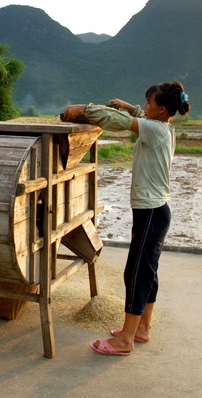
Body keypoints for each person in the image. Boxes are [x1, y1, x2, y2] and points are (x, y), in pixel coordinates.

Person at [63, 81, 190, 355]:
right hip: (157, 211)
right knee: (148, 270)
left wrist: (83, 109)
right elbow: (137, 115)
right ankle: (143, 329)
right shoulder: (165, 126)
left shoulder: (154, 130)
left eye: (148, 104)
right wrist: (129, 106)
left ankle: (125, 340)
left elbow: (116, 120)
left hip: (150, 213)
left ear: (162, 109)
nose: (144, 107)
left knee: (135, 273)